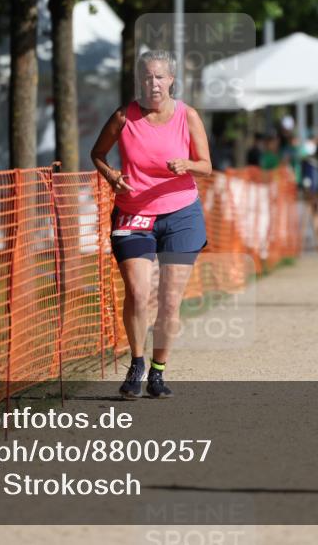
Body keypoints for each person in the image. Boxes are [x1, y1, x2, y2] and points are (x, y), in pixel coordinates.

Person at [90, 50, 211, 399]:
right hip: (134, 212)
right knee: (139, 293)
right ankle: (137, 362)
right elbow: (97, 154)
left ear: (171, 79)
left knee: (170, 301)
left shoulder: (187, 116)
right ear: (139, 80)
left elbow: (207, 166)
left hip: (180, 213)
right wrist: (112, 176)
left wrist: (187, 164)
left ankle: (158, 372)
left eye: (159, 77)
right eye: (146, 77)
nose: (153, 83)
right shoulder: (123, 117)